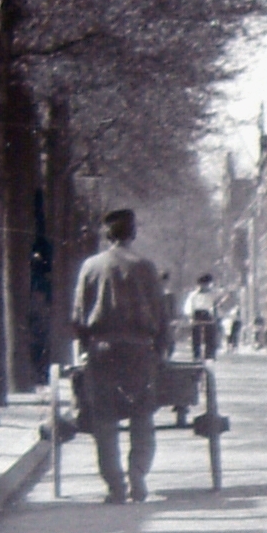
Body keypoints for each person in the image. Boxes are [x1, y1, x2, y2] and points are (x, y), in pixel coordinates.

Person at [70, 209, 172, 503]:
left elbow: (79, 313)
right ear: (132, 234)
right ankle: (138, 475)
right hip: (139, 351)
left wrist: (84, 348)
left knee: (104, 420)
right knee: (142, 416)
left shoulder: (91, 266)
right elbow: (161, 313)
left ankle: (115, 485)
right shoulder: (145, 267)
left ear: (106, 235)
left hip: (102, 351)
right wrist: (162, 348)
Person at [185, 275, 222, 360]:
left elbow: (215, 306)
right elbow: (189, 306)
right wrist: (190, 315)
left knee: (210, 335)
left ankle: (209, 354)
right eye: (202, 284)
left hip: (208, 315)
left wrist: (216, 315)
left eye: (206, 284)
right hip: (197, 314)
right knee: (196, 336)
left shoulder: (212, 295)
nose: (204, 286)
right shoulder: (193, 295)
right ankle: (196, 355)